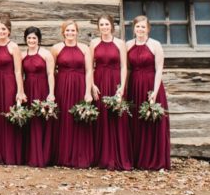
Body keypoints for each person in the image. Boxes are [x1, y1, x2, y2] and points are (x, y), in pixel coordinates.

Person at [126, 15, 171, 170]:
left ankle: (153, 160)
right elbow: (127, 69)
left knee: (152, 121)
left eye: (143, 27)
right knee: (135, 122)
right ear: (134, 28)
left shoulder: (155, 45)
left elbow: (159, 70)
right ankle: (137, 159)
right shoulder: (128, 45)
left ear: (148, 29)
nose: (140, 29)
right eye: (137, 26)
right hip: (134, 86)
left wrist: (155, 92)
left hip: (151, 85)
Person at [50, 20, 94, 168]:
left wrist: (88, 92)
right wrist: (52, 92)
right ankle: (63, 155)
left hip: (80, 86)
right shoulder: (56, 48)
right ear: (63, 32)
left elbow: (89, 71)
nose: (70, 33)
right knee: (64, 118)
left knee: (80, 118)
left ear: (77, 32)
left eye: (73, 30)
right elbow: (51, 72)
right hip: (62, 86)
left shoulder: (84, 48)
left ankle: (80, 156)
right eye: (67, 30)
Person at [90, 15, 132, 170]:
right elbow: (90, 67)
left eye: (106, 24)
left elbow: (124, 66)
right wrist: (92, 85)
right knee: (101, 116)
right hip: (99, 81)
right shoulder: (94, 43)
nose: (104, 27)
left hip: (115, 82)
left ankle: (117, 156)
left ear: (112, 26)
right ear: (98, 27)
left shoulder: (120, 43)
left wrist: (122, 87)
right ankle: (102, 156)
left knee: (116, 116)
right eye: (101, 24)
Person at [0, 15, 25, 165]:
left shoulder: (13, 47)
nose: (1, 32)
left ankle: (9, 154)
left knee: (7, 115)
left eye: (3, 29)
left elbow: (18, 71)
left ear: (9, 30)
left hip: (9, 83)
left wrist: (20, 91)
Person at [22, 26, 55, 167]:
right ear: (25, 39)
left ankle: (43, 155)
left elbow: (50, 74)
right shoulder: (22, 55)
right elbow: (20, 75)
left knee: (41, 119)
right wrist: (20, 92)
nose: (31, 40)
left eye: (34, 38)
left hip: (42, 88)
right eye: (29, 38)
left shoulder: (46, 54)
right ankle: (30, 155)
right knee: (30, 121)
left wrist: (51, 93)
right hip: (28, 89)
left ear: (39, 39)